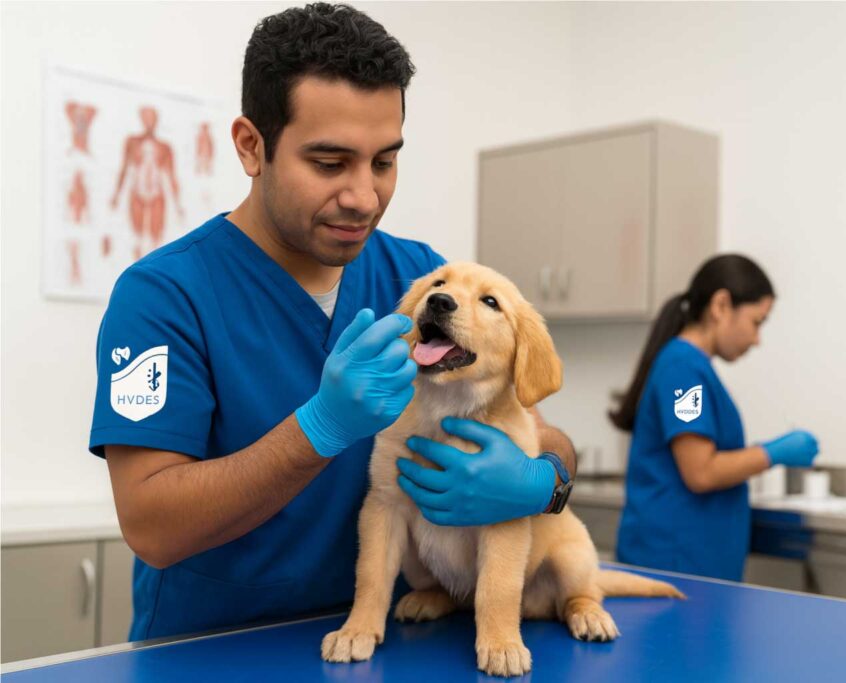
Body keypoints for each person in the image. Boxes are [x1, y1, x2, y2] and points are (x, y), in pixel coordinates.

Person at [90, 3, 575, 642]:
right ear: (250, 146)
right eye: (329, 163)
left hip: (394, 643)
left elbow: (540, 433)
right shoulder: (161, 298)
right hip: (215, 649)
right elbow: (151, 526)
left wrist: (545, 480)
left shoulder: (424, 278)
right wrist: (319, 429)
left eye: (384, 162)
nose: (363, 196)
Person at [609, 254, 818, 581]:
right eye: (756, 322)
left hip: (692, 565)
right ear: (721, 305)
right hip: (674, 565)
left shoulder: (691, 369)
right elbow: (700, 471)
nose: (757, 339)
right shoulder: (683, 373)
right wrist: (772, 453)